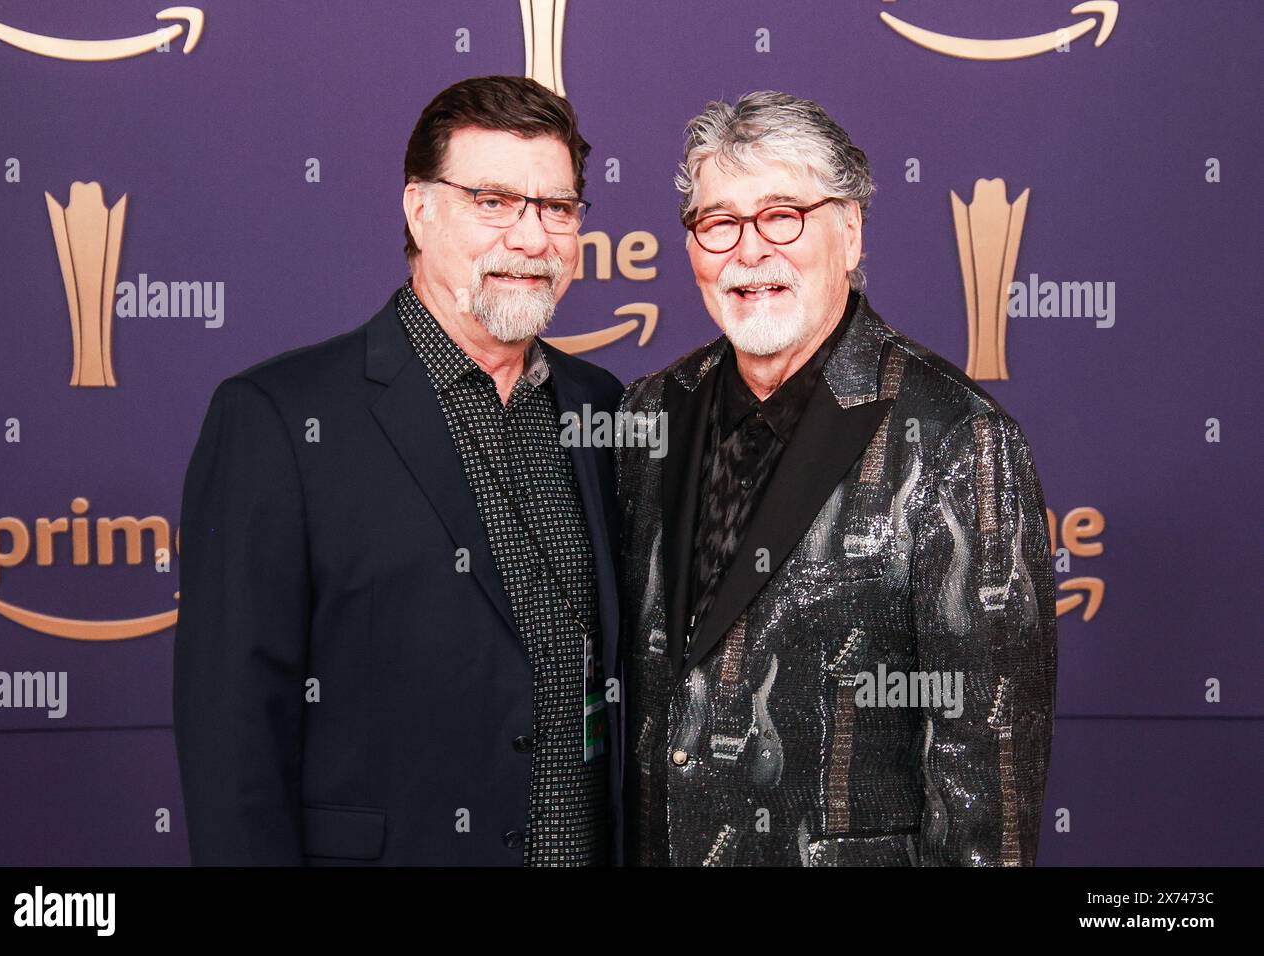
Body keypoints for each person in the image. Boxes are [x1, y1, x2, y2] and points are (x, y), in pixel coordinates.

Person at [174, 75, 623, 866]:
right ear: (419, 210)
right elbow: (231, 732)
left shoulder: (603, 408)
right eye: (493, 201)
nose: (530, 238)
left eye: (556, 208)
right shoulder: (276, 420)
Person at [616, 91, 1057, 866]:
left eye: (783, 214)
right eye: (720, 223)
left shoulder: (960, 437)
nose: (750, 252)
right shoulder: (650, 414)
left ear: (849, 231)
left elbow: (987, 784)